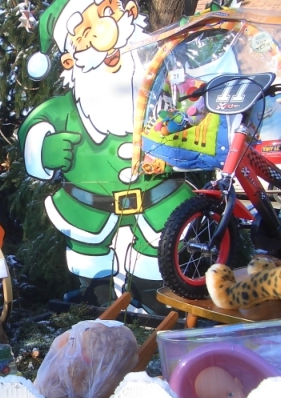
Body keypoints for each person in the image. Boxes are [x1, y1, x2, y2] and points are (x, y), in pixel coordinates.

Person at [19, 0, 193, 314]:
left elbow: (192, 109)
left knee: (156, 262)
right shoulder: (67, 110)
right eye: (84, 32)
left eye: (107, 13)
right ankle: (95, 300)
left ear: (129, 14)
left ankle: (152, 301)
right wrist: (43, 148)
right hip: (89, 209)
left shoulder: (161, 87)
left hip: (159, 201)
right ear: (70, 60)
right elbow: (35, 126)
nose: (102, 33)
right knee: (91, 262)